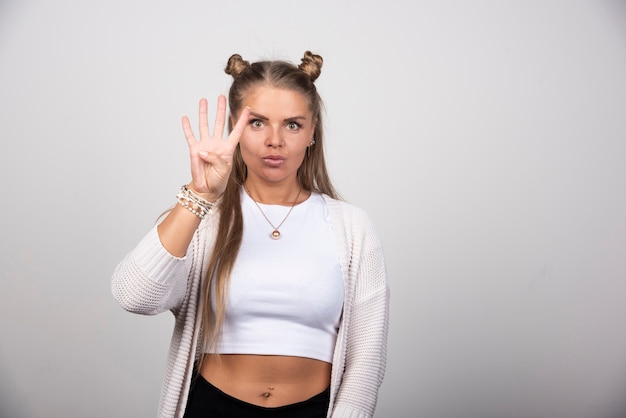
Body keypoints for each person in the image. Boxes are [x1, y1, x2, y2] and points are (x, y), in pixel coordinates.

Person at [111, 50, 389, 418]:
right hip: (211, 407)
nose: (275, 140)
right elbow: (134, 296)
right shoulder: (206, 219)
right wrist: (200, 196)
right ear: (235, 129)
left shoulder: (352, 227)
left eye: (292, 124)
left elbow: (367, 356)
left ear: (312, 132)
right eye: (257, 123)